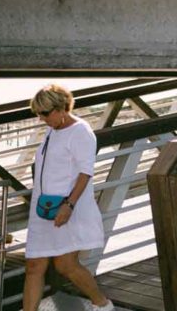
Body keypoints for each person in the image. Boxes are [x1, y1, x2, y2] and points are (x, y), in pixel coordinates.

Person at [24, 85, 113, 311]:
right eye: (38, 114)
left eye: (45, 113)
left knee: (65, 265)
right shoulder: (52, 130)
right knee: (34, 265)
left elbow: (86, 172)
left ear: (62, 108)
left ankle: (102, 304)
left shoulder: (81, 132)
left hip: (68, 206)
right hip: (43, 208)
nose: (41, 118)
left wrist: (69, 205)